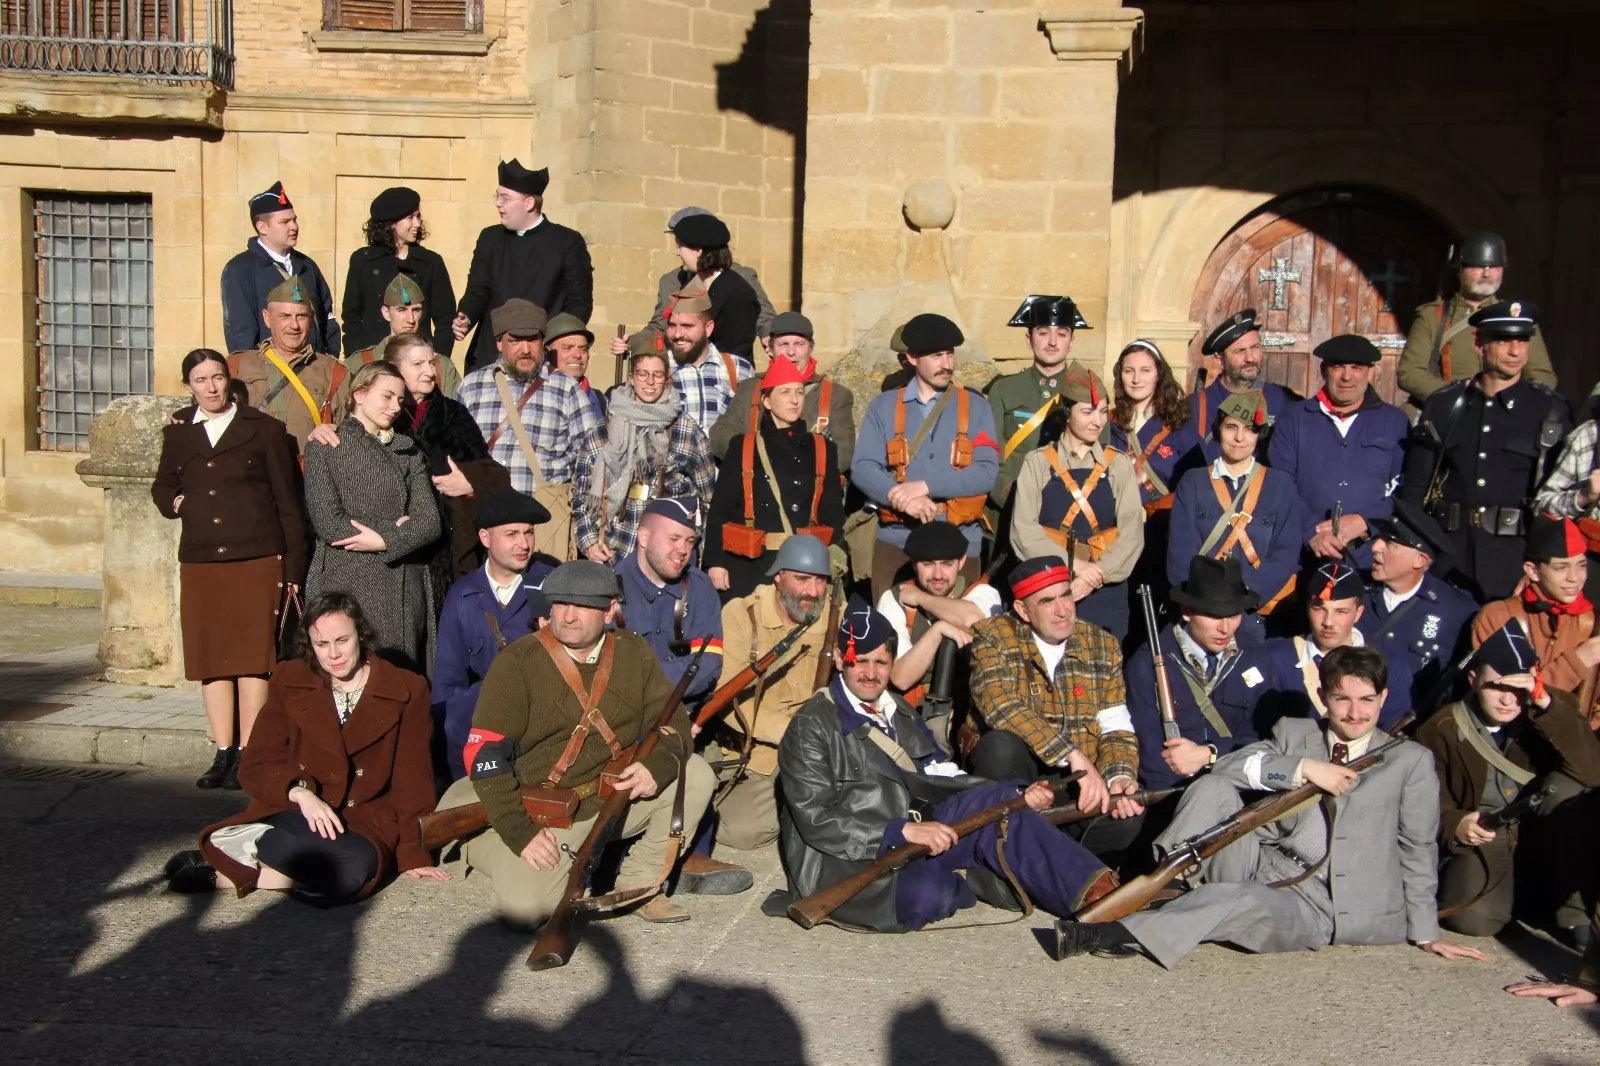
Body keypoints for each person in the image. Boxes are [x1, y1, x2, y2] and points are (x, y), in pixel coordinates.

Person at [1053, 646, 1490, 969]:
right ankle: (1166, 876)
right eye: (1342, 699)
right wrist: (1304, 768)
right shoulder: (1296, 733)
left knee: (1235, 898)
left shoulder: (1408, 760)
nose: (1355, 712)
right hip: (1262, 862)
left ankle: (1115, 934)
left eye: (1366, 700)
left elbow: (1417, 848)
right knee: (1214, 788)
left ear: (1383, 697)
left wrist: (1426, 932)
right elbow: (1230, 766)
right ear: (1323, 697)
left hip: (1323, 903)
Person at [775, 602, 1116, 932]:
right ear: (839, 660)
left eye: (881, 661)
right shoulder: (811, 725)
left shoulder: (899, 711)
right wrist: (900, 832)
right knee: (927, 895)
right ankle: (977, 878)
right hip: (849, 857)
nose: (870, 672)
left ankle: (1098, 893)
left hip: (918, 828)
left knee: (1001, 803)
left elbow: (941, 771)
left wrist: (1012, 795)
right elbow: (815, 819)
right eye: (859, 661)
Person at [434, 561, 724, 927]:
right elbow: (484, 754)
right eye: (560, 604)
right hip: (544, 808)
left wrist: (657, 768)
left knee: (694, 773)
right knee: (524, 911)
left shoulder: (632, 652)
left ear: (610, 610)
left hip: (611, 794)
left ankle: (639, 884)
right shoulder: (518, 662)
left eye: (583, 606)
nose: (568, 616)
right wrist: (520, 832)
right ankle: (478, 840)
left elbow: (674, 725)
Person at [162, 594, 445, 901]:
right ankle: (255, 846)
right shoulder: (291, 678)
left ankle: (222, 872)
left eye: (342, 640)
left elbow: (412, 779)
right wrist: (299, 792)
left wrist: (411, 854)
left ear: (361, 635)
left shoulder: (407, 688)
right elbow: (256, 764)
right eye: (321, 644)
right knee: (340, 871)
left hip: (364, 819)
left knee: (356, 871)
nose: (334, 654)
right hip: (296, 813)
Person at [153, 348, 307, 791]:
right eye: (201, 380)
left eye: (218, 377)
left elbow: (288, 506)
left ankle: (248, 753)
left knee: (252, 661)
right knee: (212, 660)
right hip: (202, 561)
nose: (212, 387)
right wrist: (176, 503)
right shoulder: (180, 434)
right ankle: (222, 751)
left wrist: (293, 566)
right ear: (190, 386)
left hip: (257, 560)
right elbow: (163, 486)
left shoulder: (265, 431)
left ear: (230, 380)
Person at [1417, 622, 1600, 941]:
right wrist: (1455, 822)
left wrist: (1545, 705)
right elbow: (1426, 797)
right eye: (1496, 687)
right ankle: (1516, 900)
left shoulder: (1554, 709)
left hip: (1541, 835)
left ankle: (1572, 913)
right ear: (1473, 681)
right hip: (1488, 835)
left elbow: (1592, 773)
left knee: (1570, 790)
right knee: (1474, 921)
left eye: (1518, 689)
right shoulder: (1442, 727)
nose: (1507, 700)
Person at [966, 556, 1145, 859]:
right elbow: (1000, 704)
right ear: (1023, 610)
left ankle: (1046, 863)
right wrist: (1070, 754)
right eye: (1047, 601)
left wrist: (1119, 776)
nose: (1063, 610)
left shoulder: (1102, 644)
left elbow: (1115, 724)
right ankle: (1021, 854)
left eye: (1066, 595)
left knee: (1128, 813)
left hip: (1077, 784)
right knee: (999, 746)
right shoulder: (994, 636)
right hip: (1021, 777)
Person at [1402, 300, 1572, 601]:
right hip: (1446, 561)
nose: (1515, 351)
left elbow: (1556, 504)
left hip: (1514, 565)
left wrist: (1540, 570)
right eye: (1504, 340)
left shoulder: (1549, 410)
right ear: (1479, 343)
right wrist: (1415, 553)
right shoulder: (1444, 405)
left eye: (1522, 340)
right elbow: (1416, 488)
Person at [303, 361, 441, 674]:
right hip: (345, 578)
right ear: (360, 394)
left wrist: (383, 540)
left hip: (403, 588)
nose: (395, 407)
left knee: (398, 679)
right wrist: (396, 531)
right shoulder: (326, 445)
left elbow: (429, 522)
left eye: (400, 399)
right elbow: (328, 522)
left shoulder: (408, 452)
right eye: (387, 396)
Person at [853, 313, 1000, 598]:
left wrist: (925, 486)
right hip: (897, 543)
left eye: (949, 355)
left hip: (960, 546)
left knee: (959, 636)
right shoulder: (883, 407)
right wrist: (902, 497)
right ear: (912, 357)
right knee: (893, 636)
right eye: (936, 356)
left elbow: (985, 472)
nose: (946, 364)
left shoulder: (976, 408)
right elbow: (863, 467)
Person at [706, 534, 836, 851]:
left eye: (821, 581)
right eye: (802, 579)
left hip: (823, 749)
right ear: (778, 577)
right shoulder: (740, 615)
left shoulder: (836, 616)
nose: (813, 591)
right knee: (741, 832)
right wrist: (791, 732)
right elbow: (726, 697)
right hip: (761, 752)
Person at [457, 298, 602, 560]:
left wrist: (587, 533)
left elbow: (592, 466)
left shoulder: (566, 390)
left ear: (542, 342)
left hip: (544, 528)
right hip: (484, 528)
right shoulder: (472, 387)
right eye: (515, 341)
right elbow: (455, 457)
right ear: (500, 342)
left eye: (532, 340)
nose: (525, 349)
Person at [1009, 362, 1144, 639]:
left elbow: (1132, 533)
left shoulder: (1118, 465)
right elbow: (1023, 530)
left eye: (1103, 411)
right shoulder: (1037, 464)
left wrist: (1097, 575)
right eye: (1087, 411)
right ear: (1066, 414)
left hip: (1107, 594)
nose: (1098, 420)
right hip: (1050, 590)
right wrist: (1076, 568)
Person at [1168, 390, 1306, 646]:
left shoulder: (1280, 485)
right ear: (1218, 429)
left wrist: (1246, 597)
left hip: (1256, 617)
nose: (1240, 437)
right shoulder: (1193, 482)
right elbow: (1180, 553)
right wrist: (1207, 605)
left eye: (1250, 429)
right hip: (1203, 615)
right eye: (1231, 426)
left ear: (1260, 434)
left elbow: (1285, 553)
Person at [702, 356, 846, 600]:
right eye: (785, 392)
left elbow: (832, 512)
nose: (794, 400)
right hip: (750, 565)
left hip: (805, 566)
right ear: (766, 401)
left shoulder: (822, 448)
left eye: (800, 392)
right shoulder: (743, 446)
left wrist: (834, 561)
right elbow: (721, 508)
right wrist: (716, 562)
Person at [432, 490, 553, 779]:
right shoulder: (463, 596)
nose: (523, 544)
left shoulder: (551, 584)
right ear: (485, 538)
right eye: (511, 534)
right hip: (484, 713)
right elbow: (447, 681)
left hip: (543, 713)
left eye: (528, 533)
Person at [1126, 557, 1265, 796]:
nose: (1225, 628)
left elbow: (1262, 736)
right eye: (1214, 615)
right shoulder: (1146, 663)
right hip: (1175, 796)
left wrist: (1209, 753)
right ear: (1187, 611)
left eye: (1233, 615)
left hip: (1242, 787)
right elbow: (1150, 757)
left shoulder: (1252, 654)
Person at [1267, 335, 1409, 568]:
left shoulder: (1394, 422)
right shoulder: (1295, 419)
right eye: (1338, 367)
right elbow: (1279, 484)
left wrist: (1365, 521)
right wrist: (1310, 531)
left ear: (1371, 372)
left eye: (1356, 368)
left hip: (1371, 556)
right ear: (1324, 371)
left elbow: (1404, 489)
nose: (1346, 376)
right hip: (1306, 556)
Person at [573, 346, 717, 564]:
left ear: (667, 380)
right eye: (642, 373)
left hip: (668, 556)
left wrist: (692, 544)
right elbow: (582, 491)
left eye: (657, 375)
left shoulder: (685, 429)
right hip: (615, 550)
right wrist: (590, 542)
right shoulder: (605, 429)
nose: (650, 382)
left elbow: (707, 497)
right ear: (631, 377)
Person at [454, 160, 594, 373]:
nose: (498, 203)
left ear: (529, 203)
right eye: (497, 196)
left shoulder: (566, 242)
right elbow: (478, 289)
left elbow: (578, 304)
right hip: (492, 352)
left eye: (505, 198)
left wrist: (555, 341)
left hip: (541, 355)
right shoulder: (490, 238)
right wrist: (466, 315)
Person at [1398, 232, 1558, 406]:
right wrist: (1457, 398)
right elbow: (1410, 373)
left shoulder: (1517, 318)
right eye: (1478, 266)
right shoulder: (1432, 316)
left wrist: (1513, 403)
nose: (1487, 274)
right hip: (1449, 413)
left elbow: (1542, 376)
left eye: (1495, 267)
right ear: (1460, 270)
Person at [1252, 562, 1413, 733]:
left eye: (1341, 611)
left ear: (1358, 613)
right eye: (1319, 609)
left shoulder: (1390, 666)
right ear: (1307, 608)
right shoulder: (1273, 658)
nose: (1328, 622)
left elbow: (1389, 732)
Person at [876, 520, 1003, 731]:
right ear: (914, 563)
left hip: (972, 717)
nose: (937, 575)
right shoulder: (894, 599)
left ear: (962, 562)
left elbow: (970, 620)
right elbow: (901, 678)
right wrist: (937, 631)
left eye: (947, 564)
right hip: (914, 717)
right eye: (928, 564)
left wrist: (921, 598)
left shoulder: (982, 594)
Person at [1107, 339, 1203, 618]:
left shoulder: (1179, 425)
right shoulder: (1109, 423)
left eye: (1145, 370)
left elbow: (1196, 485)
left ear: (1159, 374)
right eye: (1129, 371)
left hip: (1161, 537)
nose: (1136, 379)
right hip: (1116, 536)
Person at [1359, 499, 1480, 710]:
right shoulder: (1353, 591)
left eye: (1389, 543)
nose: (1376, 547)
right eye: (1379, 539)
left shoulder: (1456, 610)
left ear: (1420, 560)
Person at [1470, 516, 1600, 710]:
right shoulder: (1498, 617)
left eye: (1581, 566)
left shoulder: (1592, 620)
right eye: (1561, 567)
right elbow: (1508, 701)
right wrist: (1577, 661)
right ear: (1533, 571)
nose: (1575, 578)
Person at [614, 206, 776, 359]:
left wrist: (769, 336)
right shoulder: (671, 280)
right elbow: (661, 326)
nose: (677, 252)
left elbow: (762, 314)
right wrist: (631, 344)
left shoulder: (739, 277)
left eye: (681, 243)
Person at [707, 310, 856, 471]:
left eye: (799, 344)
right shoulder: (750, 389)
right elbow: (719, 436)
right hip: (755, 487)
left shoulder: (836, 395)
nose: (791, 352)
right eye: (783, 344)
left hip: (810, 490)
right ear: (771, 349)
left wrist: (792, 465)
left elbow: (843, 455)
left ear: (810, 348)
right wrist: (759, 455)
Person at [985, 295, 1091, 517]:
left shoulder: (1087, 392)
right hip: (1009, 509)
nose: (1052, 342)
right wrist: (1010, 497)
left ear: (1072, 342)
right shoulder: (1004, 390)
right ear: (1028, 339)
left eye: (1062, 334)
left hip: (1067, 513)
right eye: (1043, 333)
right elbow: (989, 454)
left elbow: (1099, 456)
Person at [230, 275, 351, 451]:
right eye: (285, 316)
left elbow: (349, 431)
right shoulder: (237, 365)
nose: (294, 325)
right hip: (250, 471)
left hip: (306, 472)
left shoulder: (335, 372)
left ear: (311, 319)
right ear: (267, 318)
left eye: (301, 316)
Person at [221, 182, 340, 357]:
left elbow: (326, 315)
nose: (294, 227)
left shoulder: (307, 265)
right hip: (271, 374)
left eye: (294, 220)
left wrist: (330, 358)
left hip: (315, 370)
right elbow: (241, 334)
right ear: (262, 227)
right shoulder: (240, 269)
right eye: (285, 222)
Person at [341, 186, 456, 358]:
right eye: (410, 218)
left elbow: (445, 321)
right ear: (391, 223)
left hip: (418, 359)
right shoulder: (363, 261)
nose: (417, 223)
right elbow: (352, 318)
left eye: (418, 217)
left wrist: (437, 359)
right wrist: (355, 358)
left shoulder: (430, 262)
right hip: (374, 360)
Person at [1189, 308, 1296, 462]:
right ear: (1220, 360)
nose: (1250, 358)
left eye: (1255, 347)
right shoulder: (1197, 406)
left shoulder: (1282, 401)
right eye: (1240, 351)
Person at [342, 274, 462, 399]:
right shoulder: (359, 363)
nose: (410, 319)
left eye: (416, 310)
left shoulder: (441, 367)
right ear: (386, 313)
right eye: (401, 310)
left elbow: (457, 414)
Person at [664, 283, 755, 434]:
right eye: (672, 325)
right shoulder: (658, 367)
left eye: (687, 326)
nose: (678, 334)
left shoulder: (739, 369)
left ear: (708, 328)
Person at [544, 313, 607, 423]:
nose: (577, 355)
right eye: (567, 348)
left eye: (583, 349)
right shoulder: (534, 396)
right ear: (547, 352)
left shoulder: (601, 401)